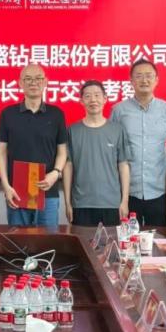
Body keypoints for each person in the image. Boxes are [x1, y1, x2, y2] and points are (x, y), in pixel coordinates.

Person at [110, 58, 166, 227]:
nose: (144, 80)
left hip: (159, 190)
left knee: (159, 239)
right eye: (139, 76)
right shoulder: (119, 110)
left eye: (149, 76)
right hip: (127, 192)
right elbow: (111, 148)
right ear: (131, 81)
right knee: (127, 239)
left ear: (156, 80)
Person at [0, 64, 67, 228]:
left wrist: (56, 173)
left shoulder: (56, 114)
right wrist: (6, 186)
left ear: (45, 82)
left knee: (48, 240)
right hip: (17, 191)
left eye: (38, 79)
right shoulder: (8, 114)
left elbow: (62, 152)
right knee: (18, 241)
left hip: (48, 192)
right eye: (28, 79)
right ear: (20, 83)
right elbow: (1, 153)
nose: (33, 82)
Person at [63, 80, 130, 227]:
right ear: (81, 101)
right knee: (81, 242)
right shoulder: (72, 130)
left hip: (111, 203)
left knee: (111, 242)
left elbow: (123, 165)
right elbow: (68, 166)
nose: (93, 100)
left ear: (105, 99)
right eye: (87, 96)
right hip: (81, 203)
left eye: (97, 95)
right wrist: (67, 203)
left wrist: (124, 201)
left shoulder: (117, 130)